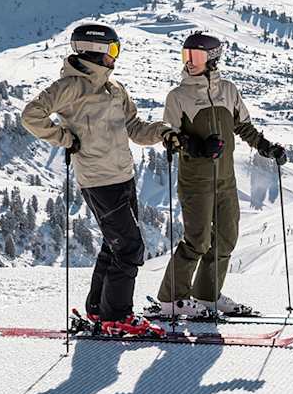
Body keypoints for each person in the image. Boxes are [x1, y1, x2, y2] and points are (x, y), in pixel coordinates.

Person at [21, 23, 181, 336]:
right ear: (94, 50)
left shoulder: (114, 88)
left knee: (115, 244)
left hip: (123, 176)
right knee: (130, 248)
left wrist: (163, 132)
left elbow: (135, 128)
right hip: (98, 181)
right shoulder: (69, 87)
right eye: (112, 50)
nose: (115, 56)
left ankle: (98, 308)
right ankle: (117, 316)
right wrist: (65, 138)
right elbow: (31, 115)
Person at [149, 32, 286, 318]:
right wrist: (196, 146)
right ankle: (172, 300)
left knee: (226, 238)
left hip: (225, 179)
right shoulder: (178, 96)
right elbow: (170, 136)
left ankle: (207, 295)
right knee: (197, 241)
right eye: (186, 55)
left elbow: (244, 126)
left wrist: (267, 147)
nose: (189, 62)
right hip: (196, 181)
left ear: (212, 58)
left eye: (196, 56)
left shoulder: (228, 90)